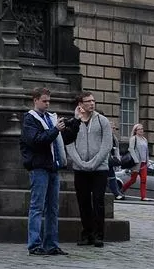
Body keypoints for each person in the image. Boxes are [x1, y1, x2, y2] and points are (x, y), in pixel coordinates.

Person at [20, 87, 67, 257]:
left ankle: (51, 244)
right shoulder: (29, 119)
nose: (47, 104)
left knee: (53, 208)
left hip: (52, 167)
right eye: (44, 101)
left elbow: (60, 139)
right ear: (35, 100)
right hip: (39, 167)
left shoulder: (49, 118)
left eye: (49, 101)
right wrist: (55, 130)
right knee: (37, 207)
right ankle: (34, 244)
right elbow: (36, 141)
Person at [63, 91, 113, 248]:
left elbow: (107, 145)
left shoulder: (102, 121)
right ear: (81, 104)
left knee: (98, 201)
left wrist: (93, 163)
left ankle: (99, 235)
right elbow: (69, 143)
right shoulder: (73, 122)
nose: (92, 103)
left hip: (99, 169)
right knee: (83, 202)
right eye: (88, 101)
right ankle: (87, 234)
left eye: (93, 101)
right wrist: (80, 163)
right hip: (80, 169)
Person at [123, 123, 150, 201]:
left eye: (142, 129)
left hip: (144, 163)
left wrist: (147, 161)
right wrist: (136, 160)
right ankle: (122, 190)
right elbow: (131, 149)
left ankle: (143, 197)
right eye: (139, 129)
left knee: (144, 180)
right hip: (136, 163)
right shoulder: (133, 138)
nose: (141, 130)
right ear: (135, 131)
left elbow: (146, 151)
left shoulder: (145, 139)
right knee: (133, 180)